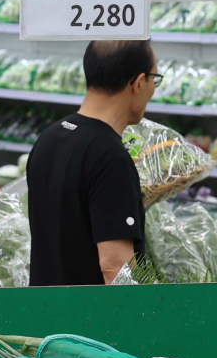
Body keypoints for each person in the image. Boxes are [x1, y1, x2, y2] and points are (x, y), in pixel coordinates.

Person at [26, 40, 160, 286]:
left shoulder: (51, 136)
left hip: (48, 312)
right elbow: (116, 266)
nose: (154, 88)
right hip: (90, 319)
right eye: (155, 79)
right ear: (139, 83)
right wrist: (153, 309)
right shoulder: (110, 156)